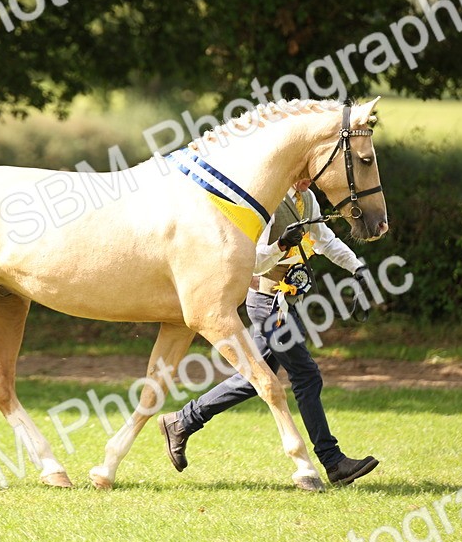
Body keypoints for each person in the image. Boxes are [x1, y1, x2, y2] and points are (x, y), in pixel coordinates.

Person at [158, 179, 380, 487]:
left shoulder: (308, 200)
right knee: (307, 375)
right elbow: (253, 260)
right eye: (301, 173)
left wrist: (357, 268)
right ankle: (333, 462)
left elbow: (324, 239)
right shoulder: (268, 203)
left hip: (288, 302)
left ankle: (182, 422)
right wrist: (281, 245)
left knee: (253, 380)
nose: (306, 180)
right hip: (267, 303)